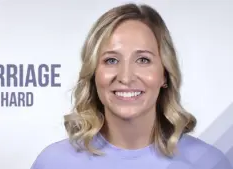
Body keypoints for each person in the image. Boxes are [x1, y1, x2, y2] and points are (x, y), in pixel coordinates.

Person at [30, 3, 232, 169]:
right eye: (111, 60)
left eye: (143, 60)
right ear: (93, 74)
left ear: (165, 75)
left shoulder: (208, 163)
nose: (126, 77)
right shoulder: (53, 162)